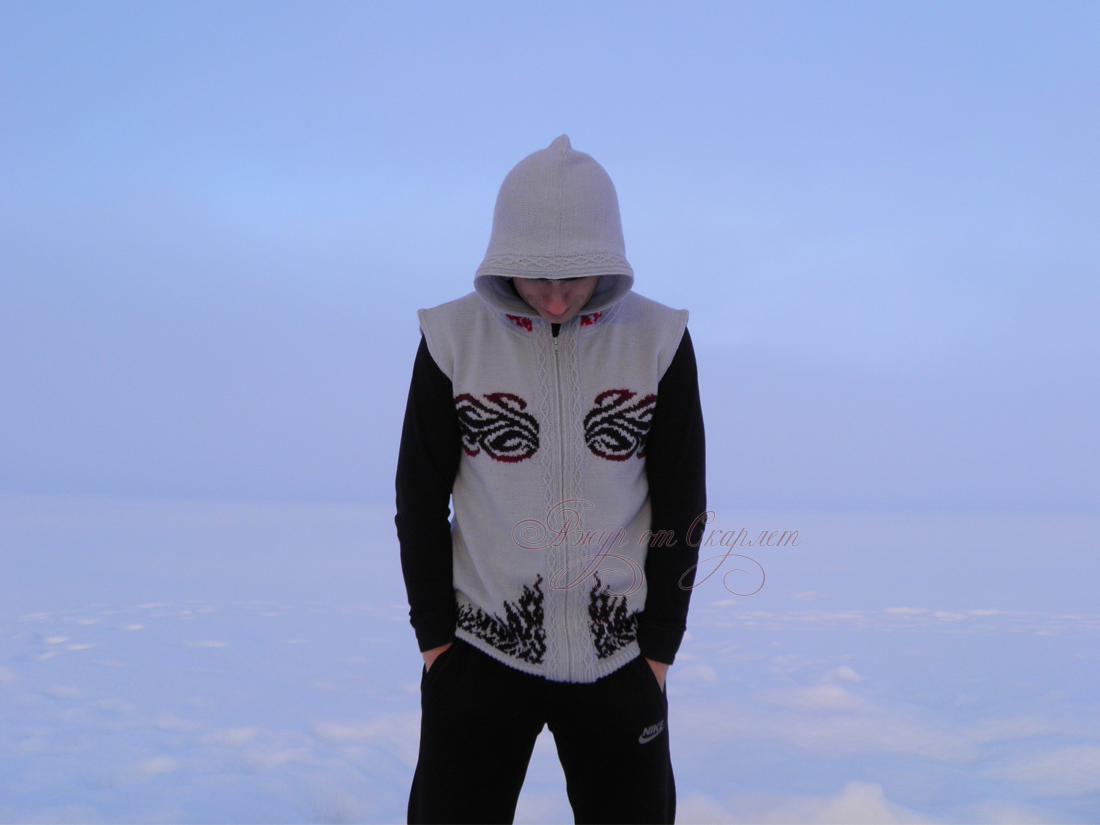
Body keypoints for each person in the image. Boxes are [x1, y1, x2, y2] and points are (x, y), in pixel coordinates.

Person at [395, 135, 706, 824]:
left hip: (620, 659)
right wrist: (436, 640)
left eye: (576, 281)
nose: (558, 302)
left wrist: (658, 648)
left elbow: (682, 499)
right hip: (478, 652)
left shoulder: (657, 338)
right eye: (539, 281)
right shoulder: (453, 337)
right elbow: (419, 496)